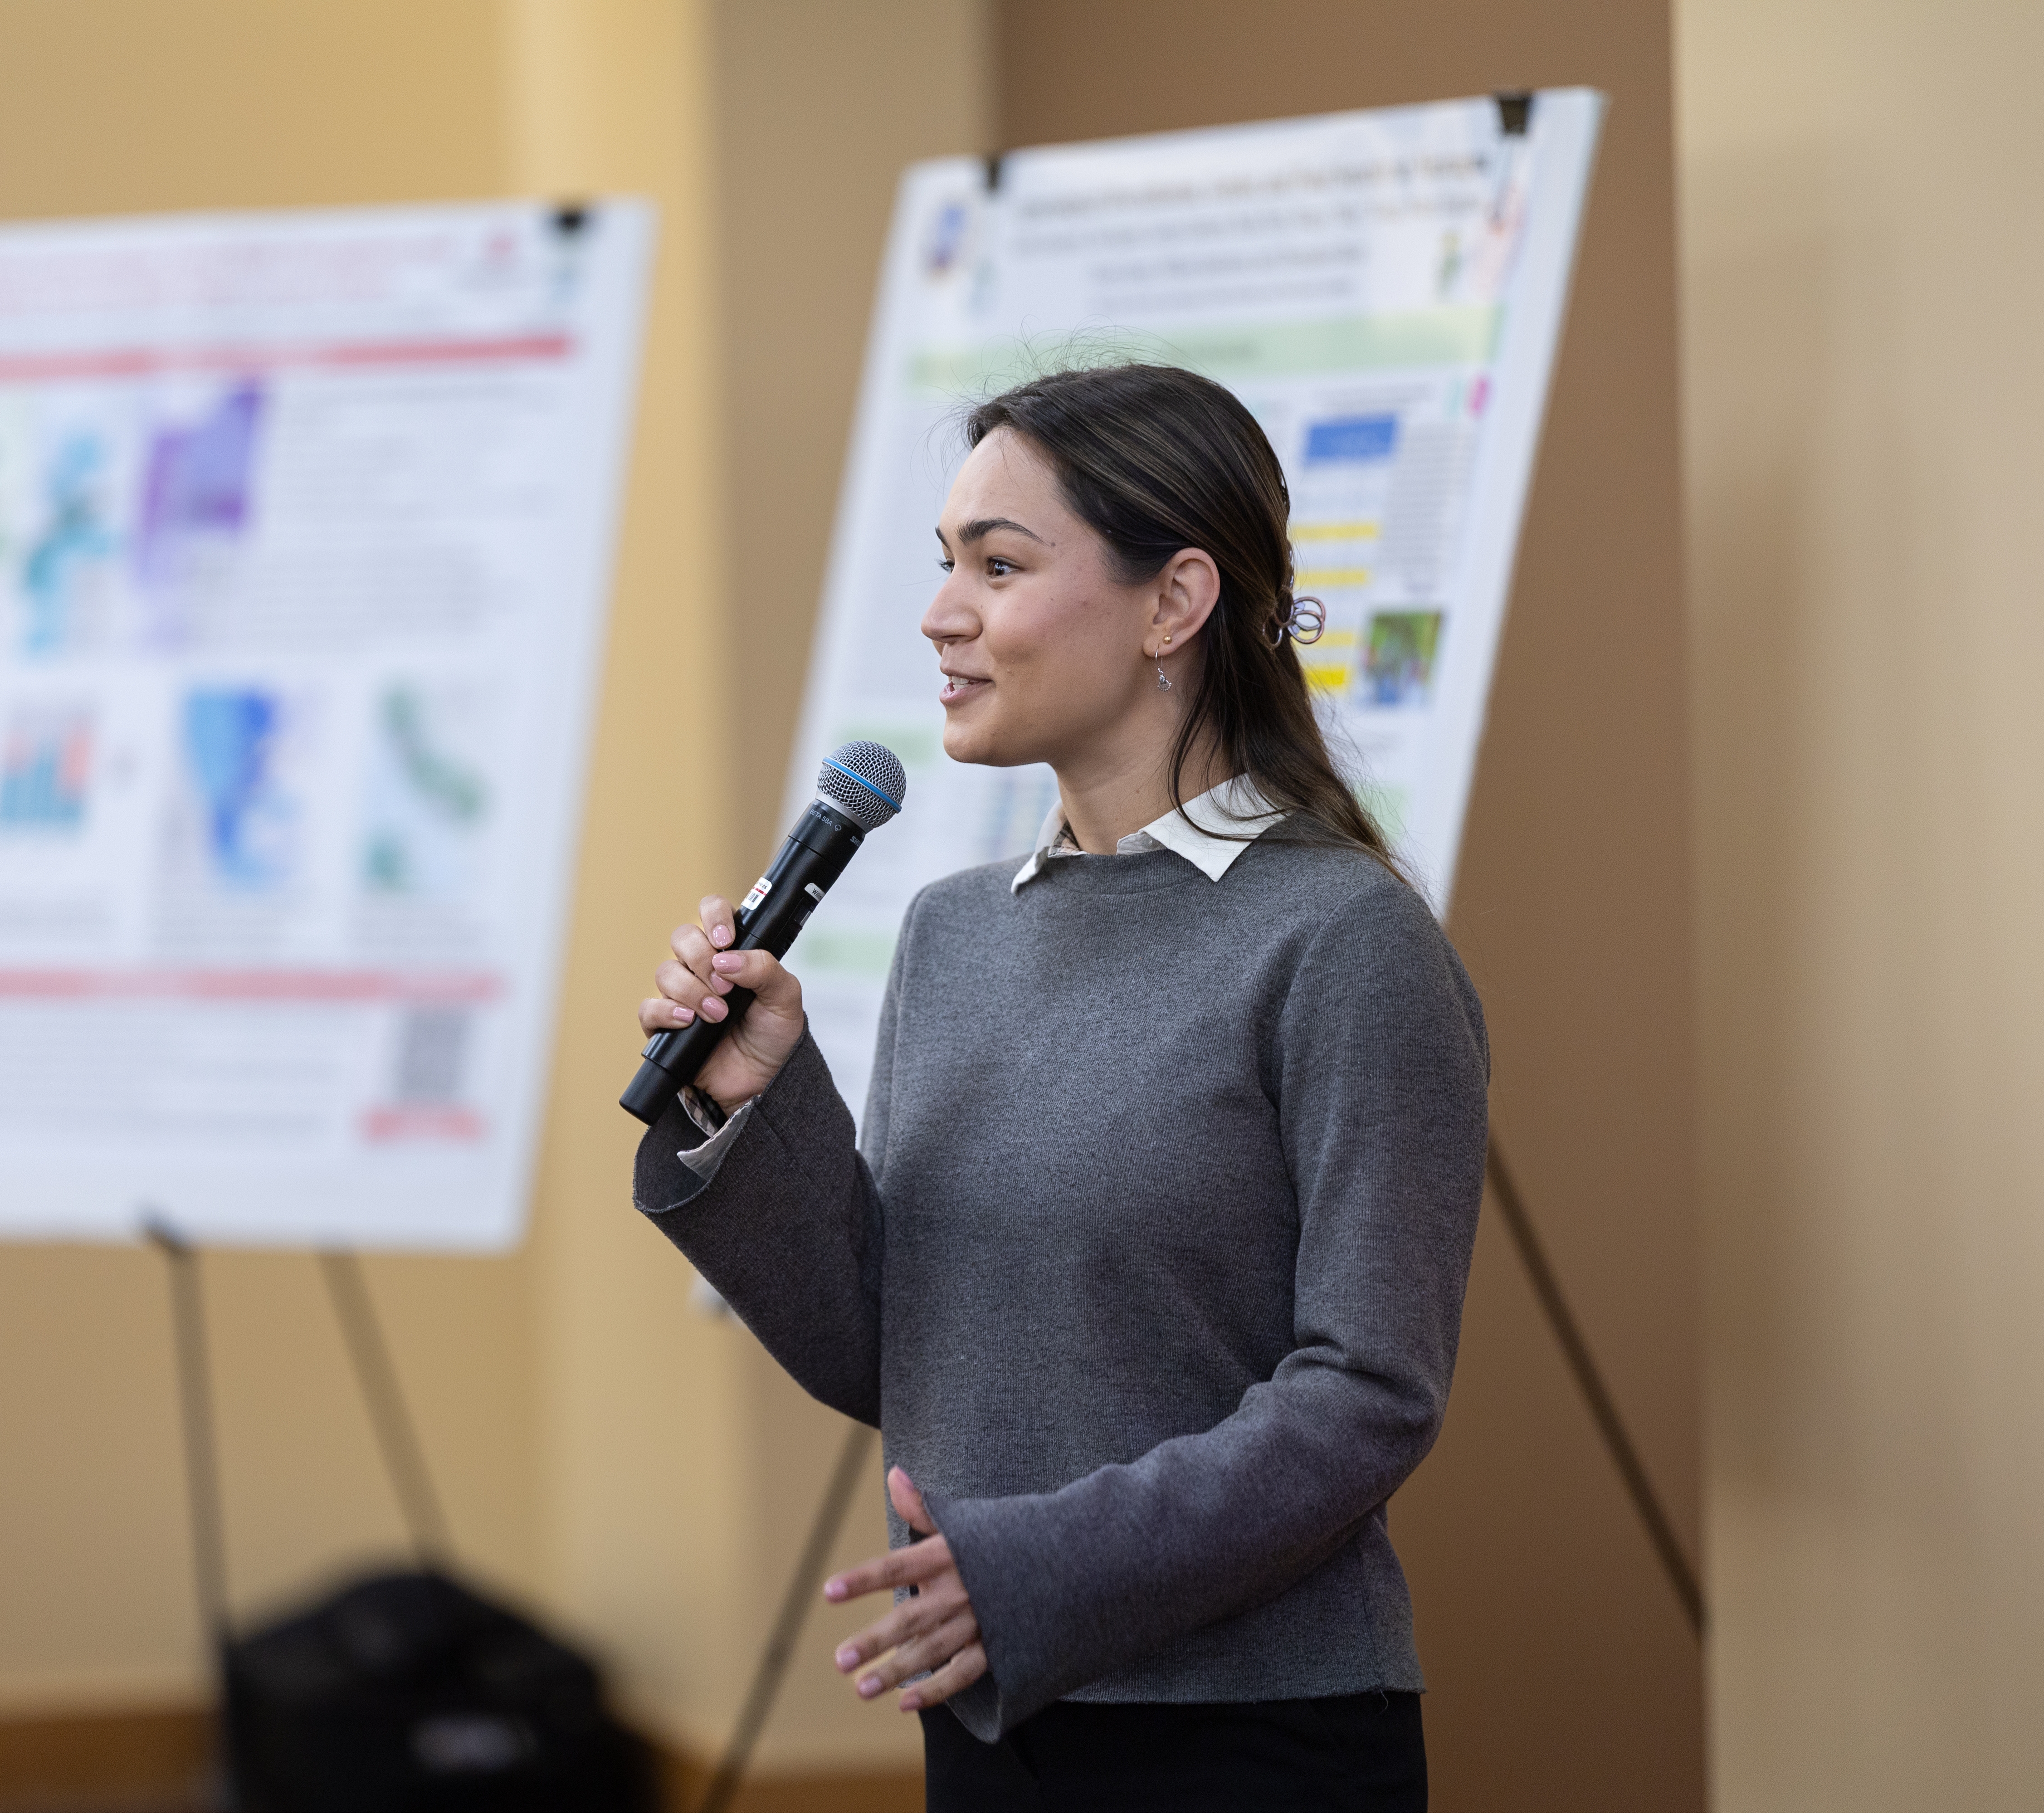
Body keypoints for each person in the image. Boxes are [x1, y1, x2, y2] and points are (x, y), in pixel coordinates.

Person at [630, 363, 1488, 1812]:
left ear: (1175, 604)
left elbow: (1370, 1396)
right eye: (944, 563)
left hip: (1252, 1738)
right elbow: (899, 1354)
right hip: (991, 1725)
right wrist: (756, 1102)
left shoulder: (1345, 942)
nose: (941, 611)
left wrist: (1028, 1576)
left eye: (999, 565)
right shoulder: (954, 931)